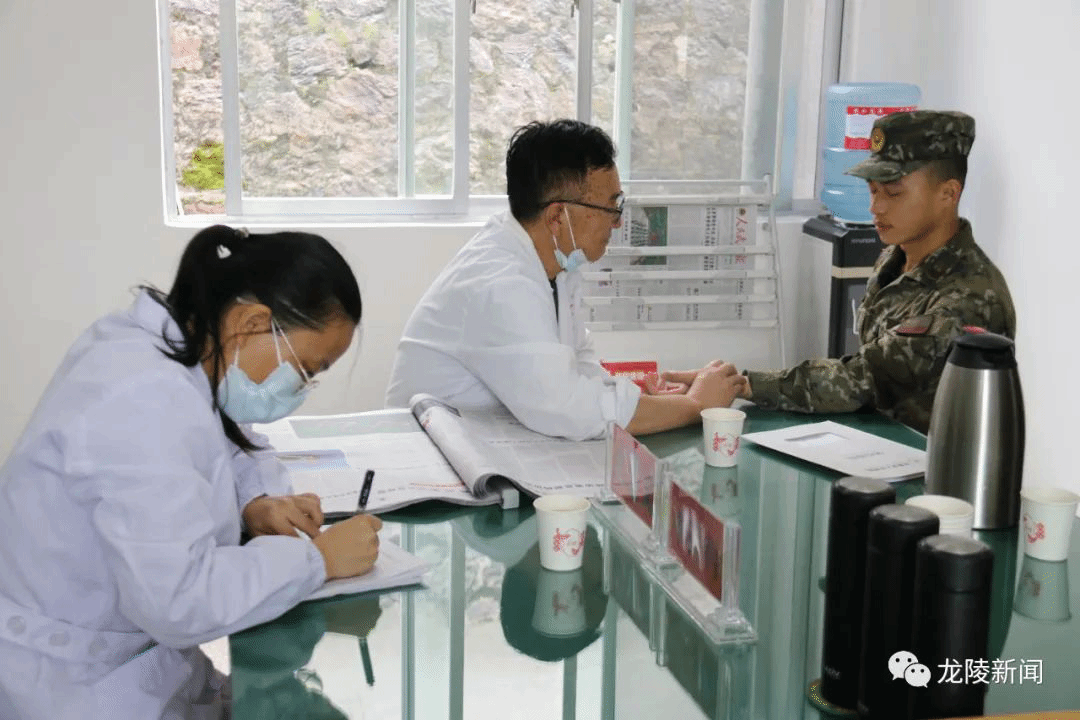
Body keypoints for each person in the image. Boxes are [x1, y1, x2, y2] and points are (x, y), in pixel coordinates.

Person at [0, 225, 383, 719]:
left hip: (134, 664)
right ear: (250, 322)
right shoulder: (143, 398)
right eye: (305, 369)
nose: (300, 388)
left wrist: (256, 502)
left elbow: (230, 442)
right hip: (73, 687)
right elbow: (179, 601)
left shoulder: (174, 358)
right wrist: (317, 562)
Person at [386, 119, 746, 440]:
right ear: (558, 216)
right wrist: (697, 406)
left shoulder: (555, 265)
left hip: (484, 439)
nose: (618, 221)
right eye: (610, 207)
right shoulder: (502, 283)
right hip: (432, 455)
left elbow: (579, 368)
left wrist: (653, 396)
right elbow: (565, 407)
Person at [673, 111, 1014, 434]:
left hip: (932, 467)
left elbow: (865, 378)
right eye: (873, 190)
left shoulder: (969, 297)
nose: (876, 207)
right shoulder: (894, 259)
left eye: (894, 193)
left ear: (948, 194)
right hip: (875, 446)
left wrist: (743, 384)